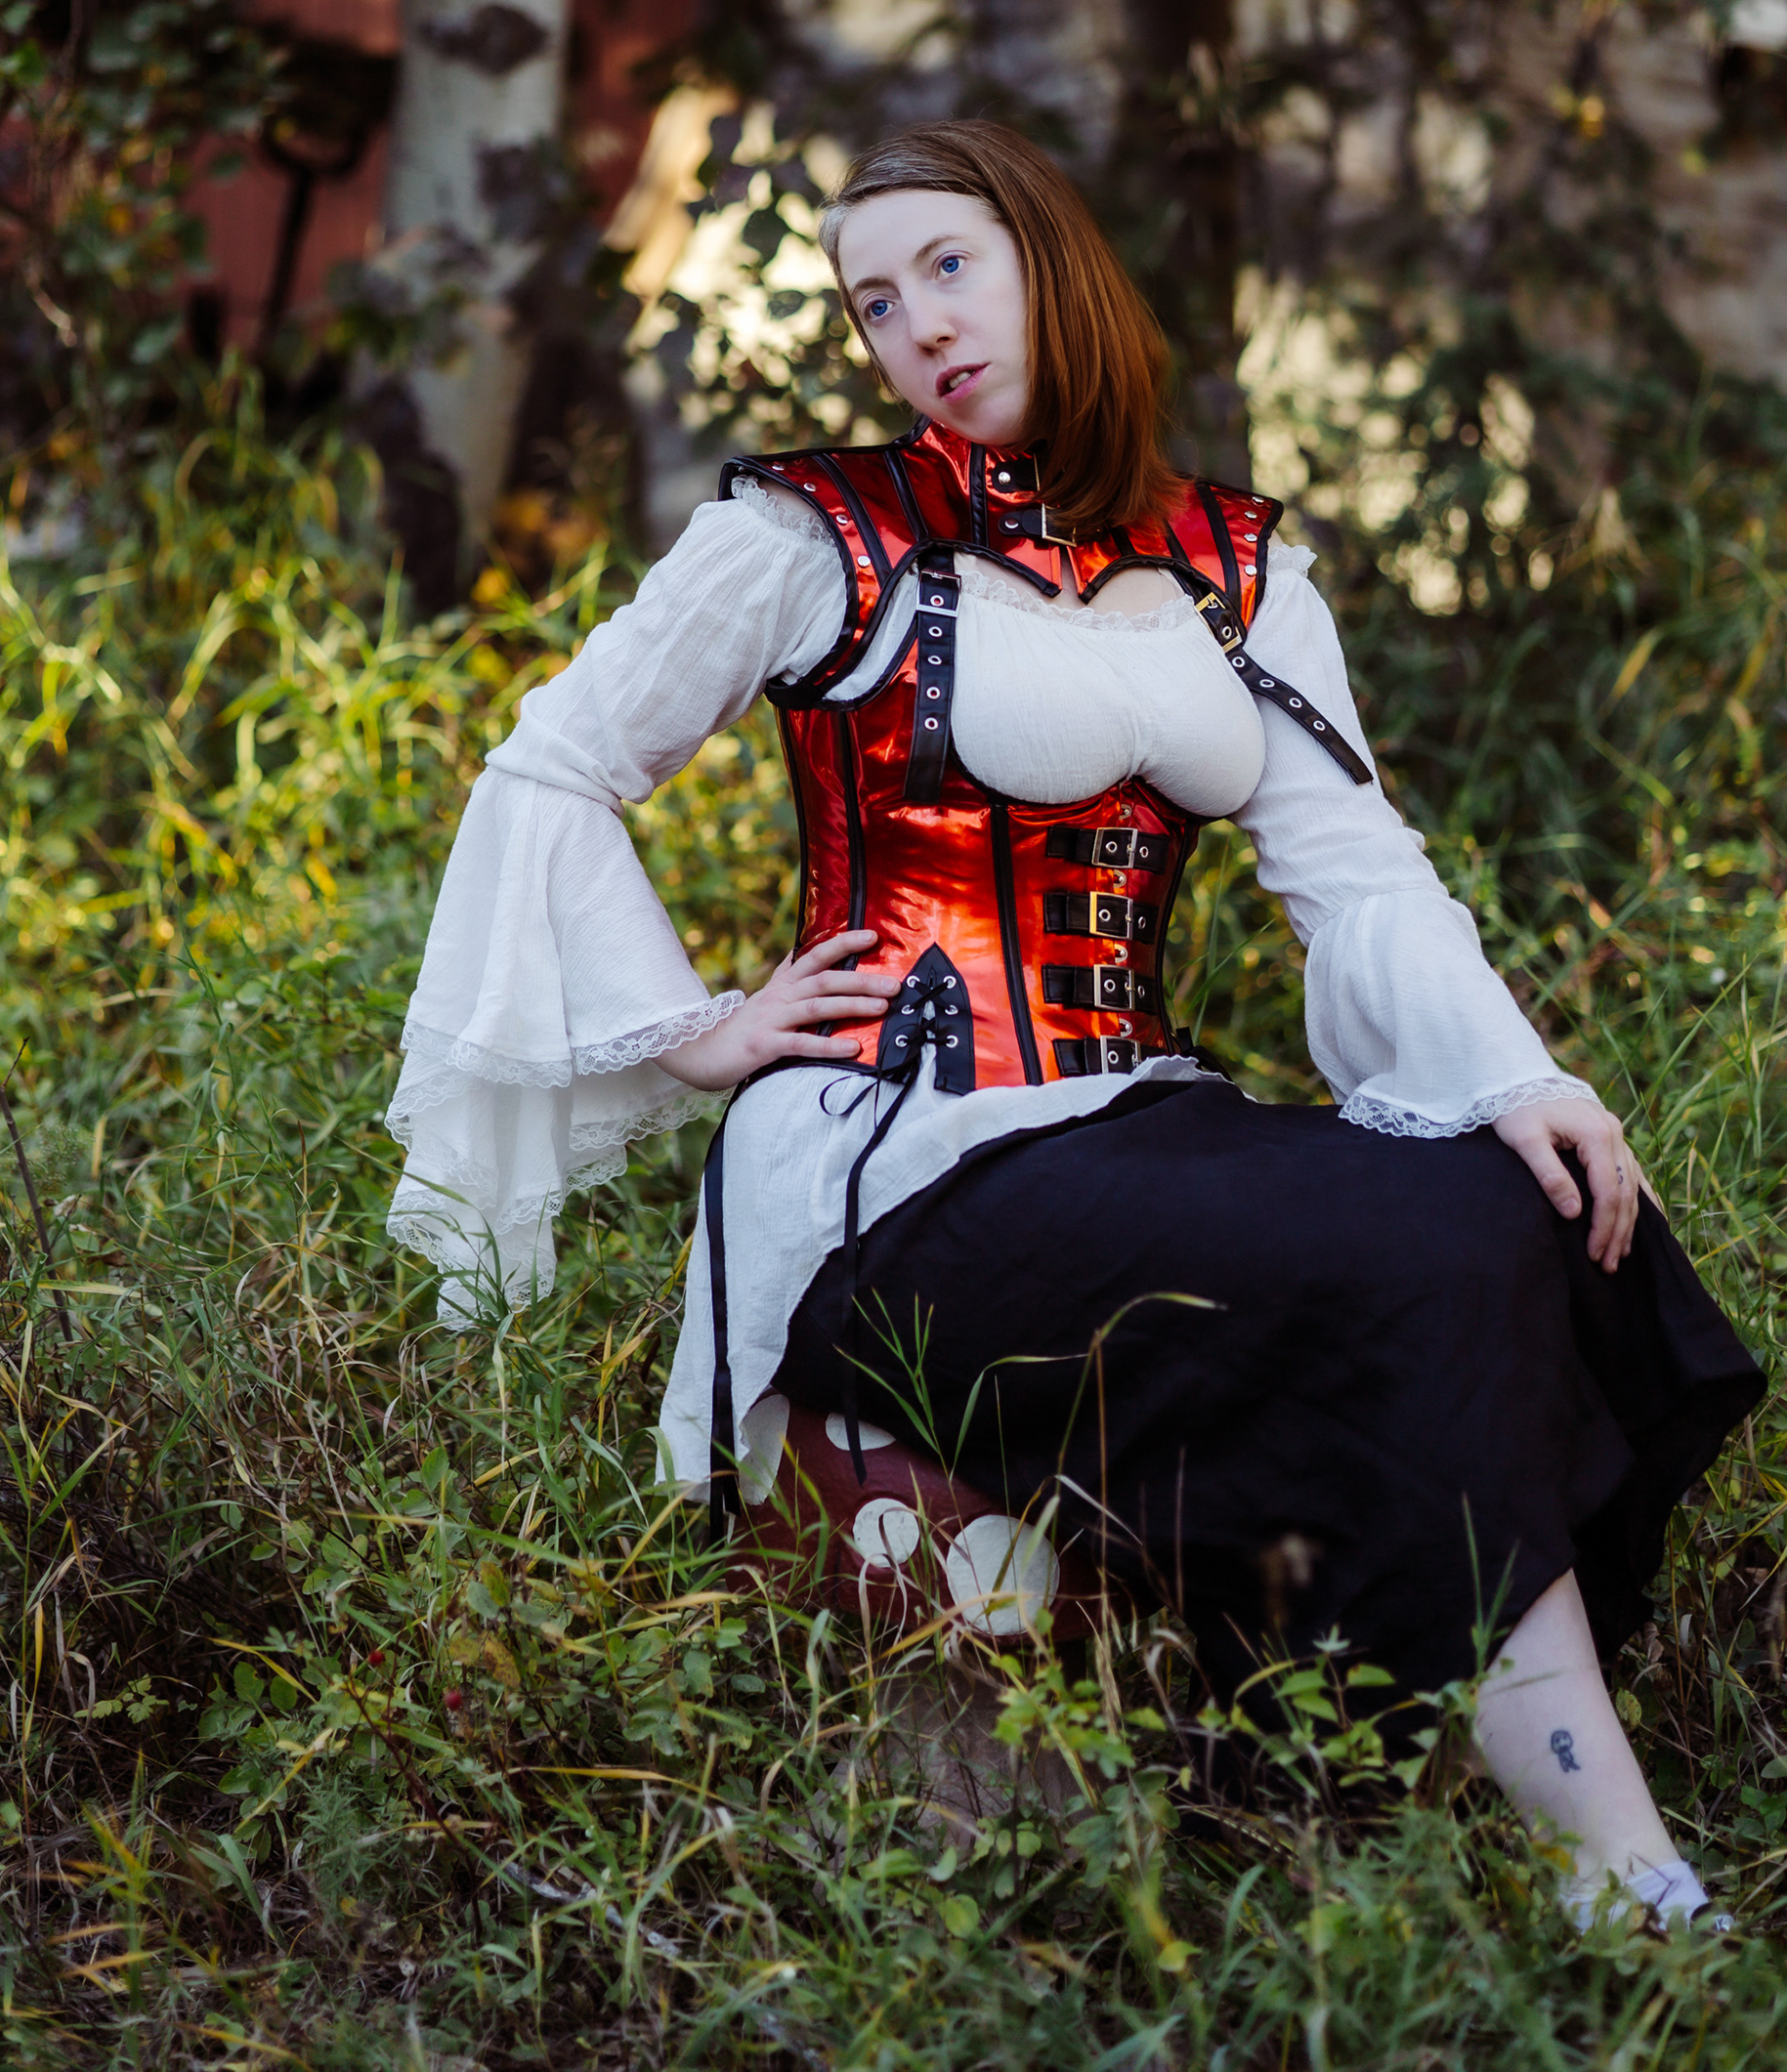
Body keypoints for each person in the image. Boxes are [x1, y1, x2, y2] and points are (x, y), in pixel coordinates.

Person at [386, 119, 1762, 1934]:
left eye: (950, 267)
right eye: (875, 305)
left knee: (1507, 1207)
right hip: (896, 1158)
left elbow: (1355, 869)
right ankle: (1613, 1873)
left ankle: (1541, 1831)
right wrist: (693, 1033)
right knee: (1404, 1260)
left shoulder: (1230, 562)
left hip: (1131, 1113)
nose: (919, 328)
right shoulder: (813, 536)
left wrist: (1517, 1079)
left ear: (1055, 260)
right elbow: (553, 765)